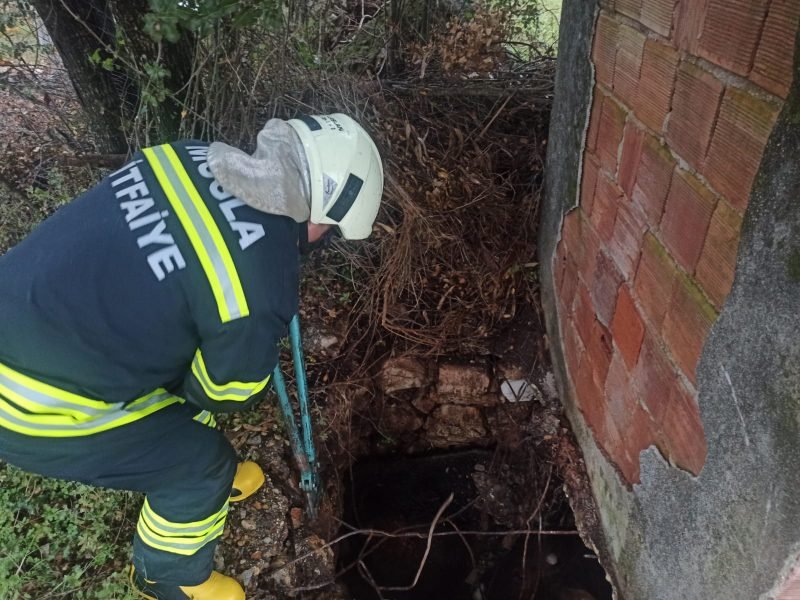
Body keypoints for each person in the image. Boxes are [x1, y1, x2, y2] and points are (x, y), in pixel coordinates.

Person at [0, 113, 384, 600]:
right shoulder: (259, 282)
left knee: (185, 367)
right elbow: (226, 392)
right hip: (29, 404)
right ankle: (166, 576)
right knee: (200, 464)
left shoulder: (190, 155)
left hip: (25, 314)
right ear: (324, 216)